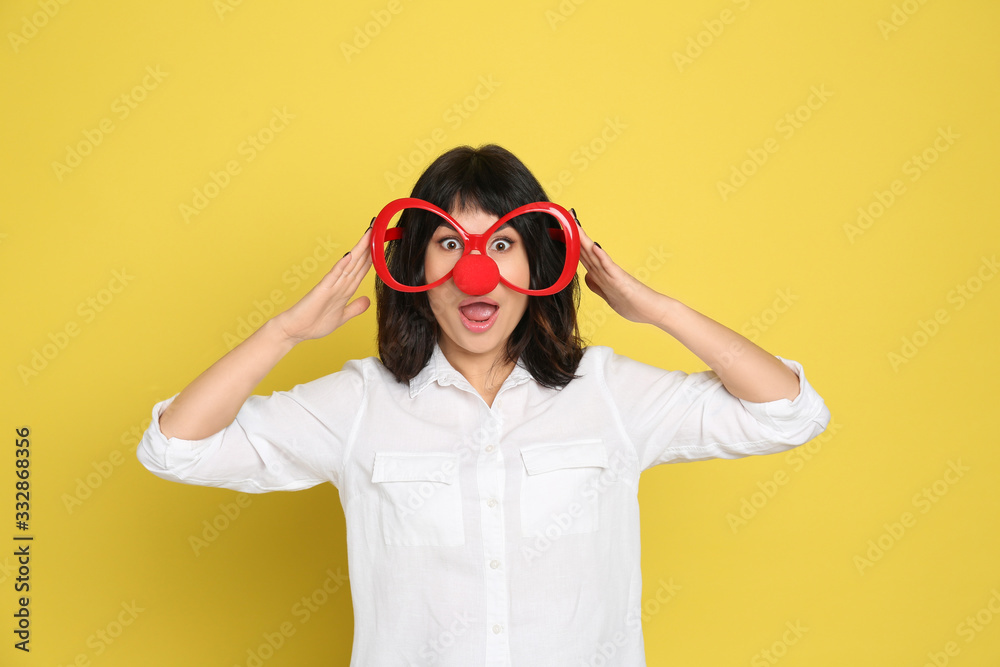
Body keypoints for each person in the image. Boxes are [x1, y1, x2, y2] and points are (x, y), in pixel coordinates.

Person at [137, 144, 831, 666]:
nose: (478, 271)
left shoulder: (609, 393)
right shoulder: (359, 404)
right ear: (417, 268)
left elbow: (791, 411)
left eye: (502, 243)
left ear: (538, 265)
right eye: (450, 244)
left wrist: (659, 309)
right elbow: (176, 446)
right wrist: (284, 331)